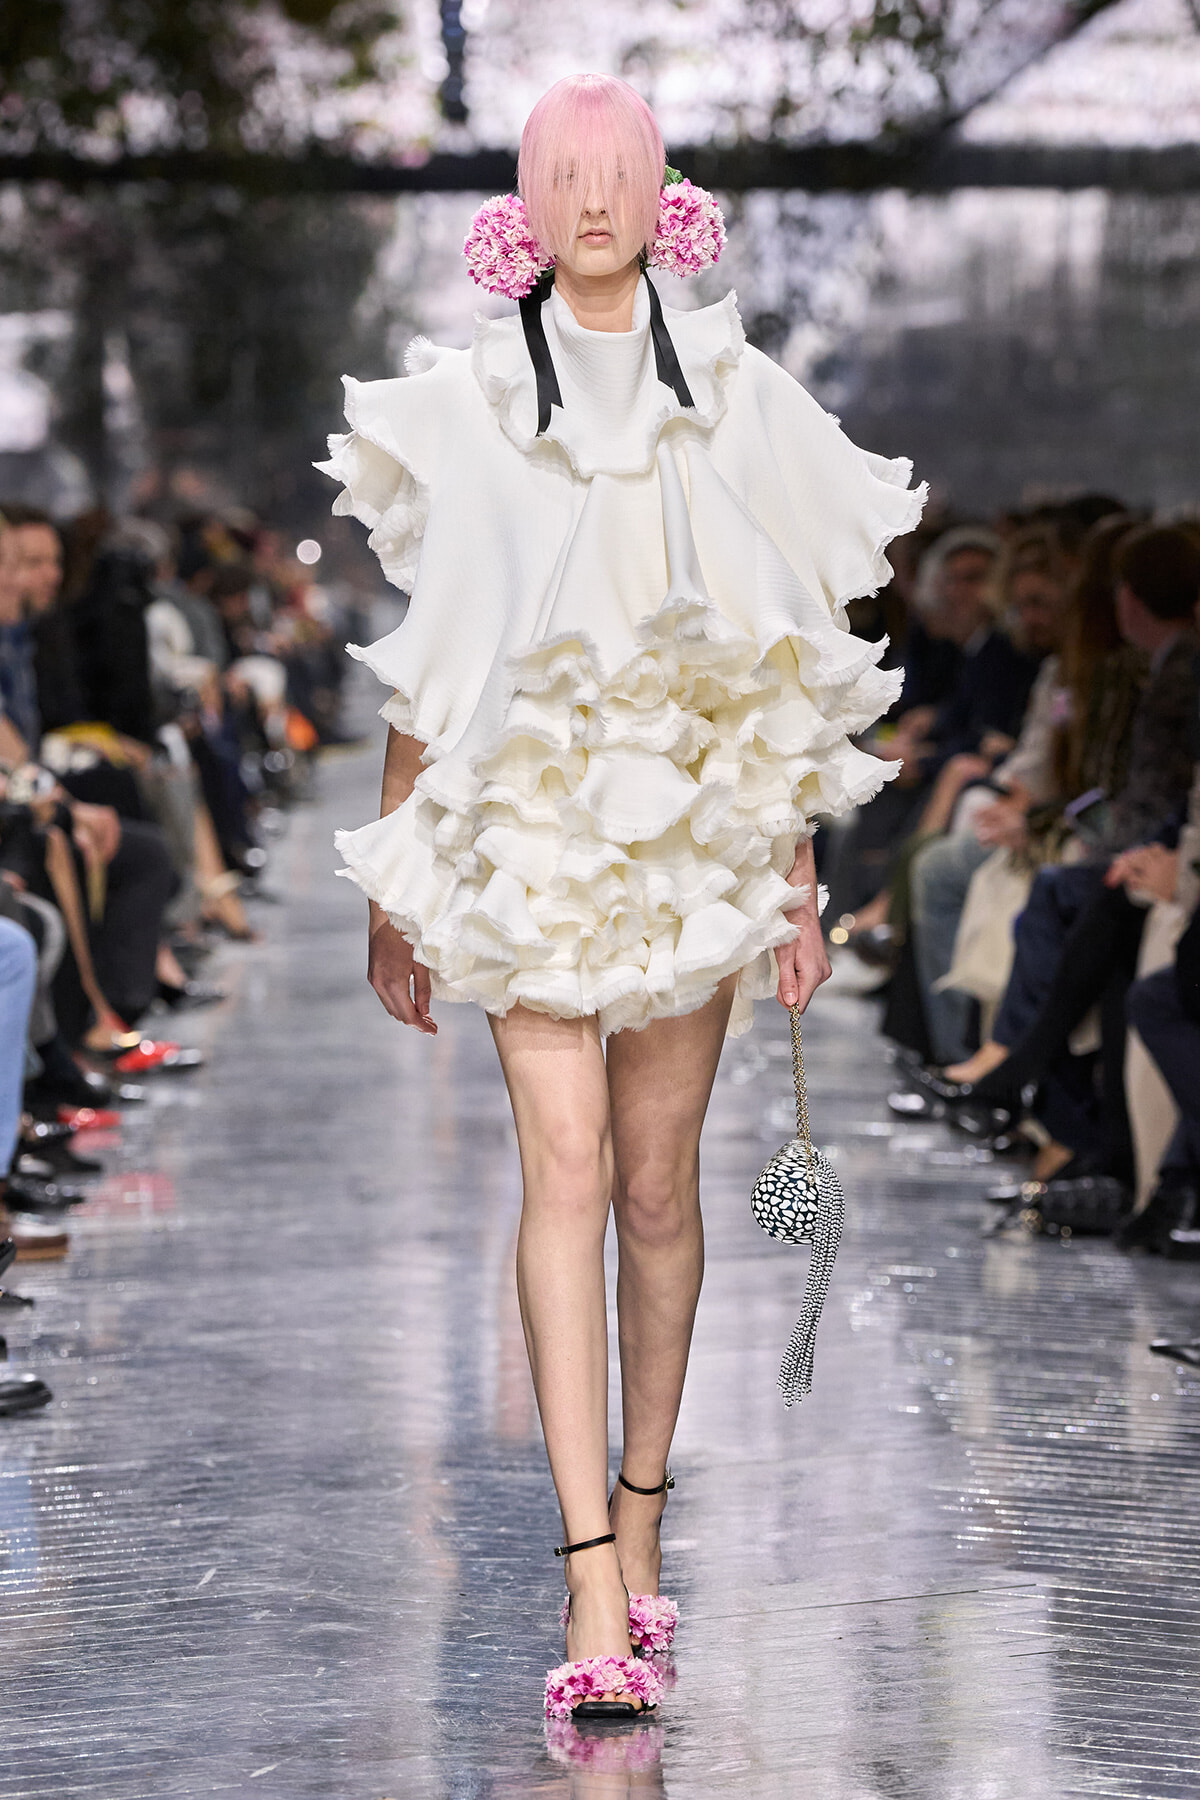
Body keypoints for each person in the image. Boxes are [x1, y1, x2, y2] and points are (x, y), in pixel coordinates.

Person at [322, 73, 925, 1723]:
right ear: (524, 201)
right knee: (569, 1172)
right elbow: (434, 656)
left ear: (665, 196)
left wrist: (800, 876)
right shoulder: (460, 406)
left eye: (621, 172)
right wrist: (394, 878)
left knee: (658, 1189)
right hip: (524, 827)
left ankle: (643, 1518)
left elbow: (786, 648)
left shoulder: (736, 393)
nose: (593, 201)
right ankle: (588, 1567)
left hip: (690, 829)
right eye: (564, 174)